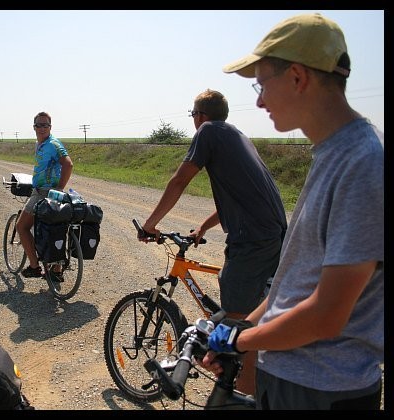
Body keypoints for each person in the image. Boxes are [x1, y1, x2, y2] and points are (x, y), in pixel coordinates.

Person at [202, 13, 384, 410]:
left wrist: (241, 341)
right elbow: (293, 282)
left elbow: (326, 314)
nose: (259, 100)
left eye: (262, 83)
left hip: (322, 390)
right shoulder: (333, 152)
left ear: (298, 77)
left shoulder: (363, 163)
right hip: (294, 379)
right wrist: (245, 325)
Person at [140, 89, 287, 395]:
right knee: (251, 316)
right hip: (272, 234)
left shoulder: (207, 132)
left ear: (201, 116)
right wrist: (202, 228)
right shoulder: (236, 135)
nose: (194, 121)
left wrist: (150, 224)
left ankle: (242, 399)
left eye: (193, 115)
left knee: (238, 334)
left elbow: (179, 180)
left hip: (254, 240)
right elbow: (236, 196)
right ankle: (258, 383)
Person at [17, 111, 73, 280]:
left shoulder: (53, 144)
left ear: (50, 127)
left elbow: (68, 164)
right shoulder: (40, 143)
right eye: (39, 125)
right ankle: (56, 271)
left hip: (44, 193)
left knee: (22, 227)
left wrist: (59, 188)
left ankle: (34, 267)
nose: (42, 128)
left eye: (45, 125)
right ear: (34, 127)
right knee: (52, 228)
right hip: (43, 190)